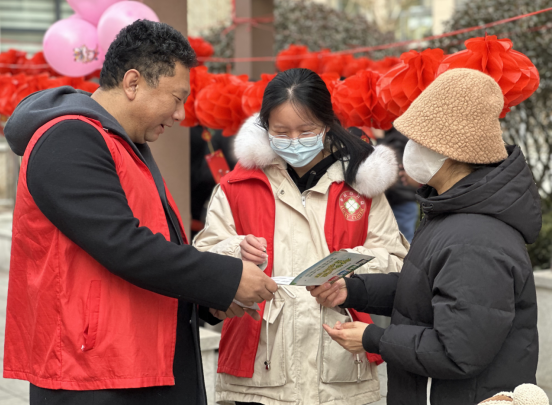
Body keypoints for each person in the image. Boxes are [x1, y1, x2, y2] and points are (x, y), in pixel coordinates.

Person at [2, 20, 277, 405]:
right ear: (133, 83)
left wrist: (208, 298)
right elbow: (122, 244)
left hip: (133, 360)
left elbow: (153, 245)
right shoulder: (69, 138)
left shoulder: (122, 143)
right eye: (177, 98)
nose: (181, 114)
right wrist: (227, 276)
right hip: (93, 375)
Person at [309, 68, 541, 405]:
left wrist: (375, 338)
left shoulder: (474, 239)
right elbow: (425, 294)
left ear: (447, 150)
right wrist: (353, 289)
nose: (408, 150)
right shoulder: (452, 215)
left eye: (417, 141)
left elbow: (458, 351)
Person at [193, 68, 409, 405]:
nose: (294, 141)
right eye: (281, 131)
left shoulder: (360, 185)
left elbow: (396, 261)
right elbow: (202, 257)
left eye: (306, 131)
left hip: (340, 368)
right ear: (265, 128)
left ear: (326, 125)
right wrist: (236, 252)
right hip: (258, 371)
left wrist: (349, 277)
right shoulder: (238, 186)